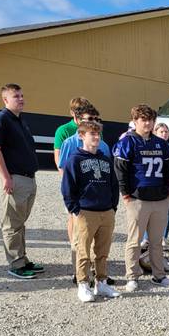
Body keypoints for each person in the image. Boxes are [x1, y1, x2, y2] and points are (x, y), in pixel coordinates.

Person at [114, 104, 169, 292]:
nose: (147, 123)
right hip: (138, 199)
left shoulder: (162, 143)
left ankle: (159, 275)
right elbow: (120, 171)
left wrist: (167, 191)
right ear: (135, 121)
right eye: (143, 119)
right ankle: (132, 276)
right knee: (134, 240)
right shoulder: (127, 142)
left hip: (159, 198)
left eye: (150, 119)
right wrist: (126, 193)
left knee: (156, 241)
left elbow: (167, 171)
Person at [0, 83, 43, 279]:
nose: (21, 98)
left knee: (19, 221)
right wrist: (5, 177)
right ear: (5, 100)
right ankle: (15, 264)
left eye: (21, 95)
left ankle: (22, 258)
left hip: (27, 178)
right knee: (11, 223)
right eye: (16, 96)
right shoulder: (1, 119)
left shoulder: (19, 120)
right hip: (13, 178)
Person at [60, 120, 120, 302]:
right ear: (81, 136)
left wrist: (113, 206)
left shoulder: (105, 159)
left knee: (102, 251)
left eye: (97, 134)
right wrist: (74, 209)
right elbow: (67, 187)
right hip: (86, 211)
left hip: (106, 211)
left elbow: (114, 185)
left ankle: (101, 283)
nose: (95, 137)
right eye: (91, 134)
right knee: (83, 250)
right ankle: (83, 284)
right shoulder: (75, 159)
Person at [53, 97, 92, 170]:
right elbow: (58, 158)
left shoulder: (94, 130)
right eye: (80, 113)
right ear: (72, 113)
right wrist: (65, 178)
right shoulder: (63, 130)